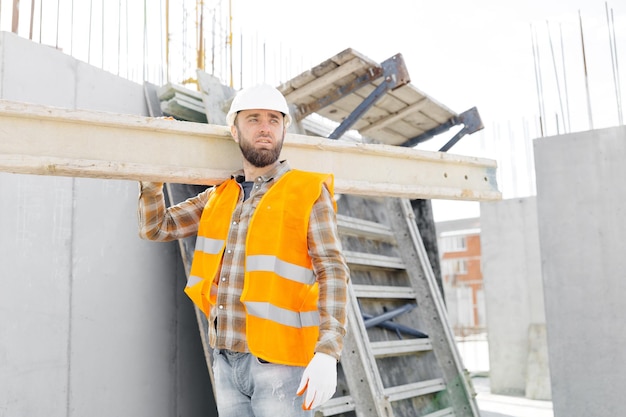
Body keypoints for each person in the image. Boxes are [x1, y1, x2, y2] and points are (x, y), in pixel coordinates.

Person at [137, 83, 350, 416]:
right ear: (234, 131)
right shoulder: (220, 197)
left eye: (273, 120)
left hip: (280, 364)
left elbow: (332, 271)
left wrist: (328, 351)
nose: (265, 127)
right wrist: (152, 180)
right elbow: (157, 227)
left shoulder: (306, 191)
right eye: (253, 119)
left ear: (283, 130)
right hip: (226, 359)